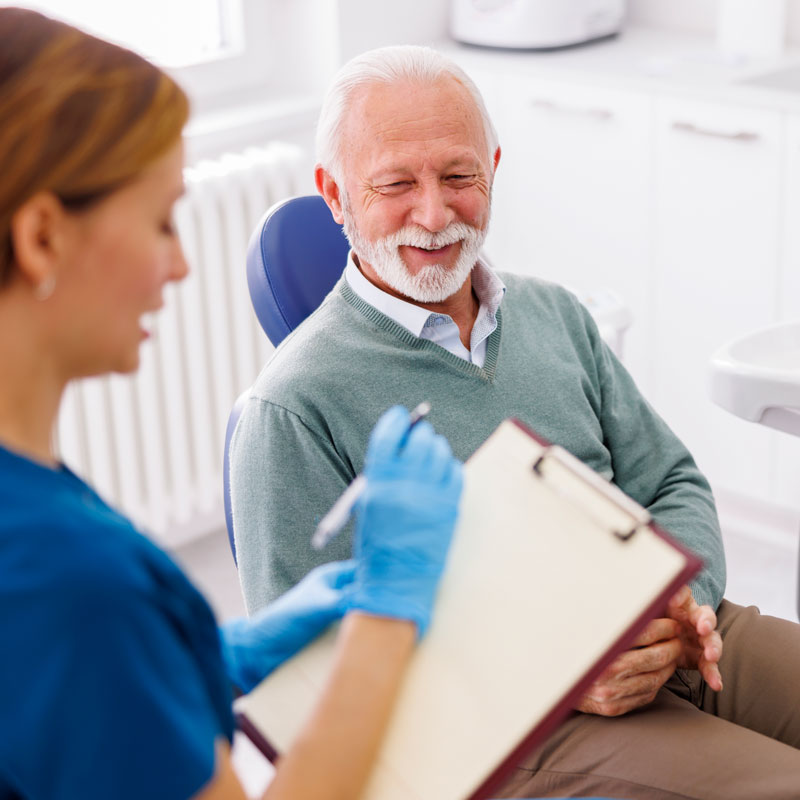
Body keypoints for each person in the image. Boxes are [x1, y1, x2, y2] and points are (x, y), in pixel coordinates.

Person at [229, 44, 800, 798]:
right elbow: (313, 691)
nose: (433, 215)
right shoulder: (291, 409)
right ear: (335, 195)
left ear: (493, 168)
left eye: (459, 176)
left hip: (665, 632)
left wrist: (679, 607)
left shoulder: (554, 314)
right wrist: (554, 671)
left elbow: (671, 479)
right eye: (396, 184)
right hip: (516, 722)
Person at [0, 11, 467, 800]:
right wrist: (388, 612)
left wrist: (206, 658)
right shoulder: (70, 581)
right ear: (42, 236)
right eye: (159, 221)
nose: (180, 265)